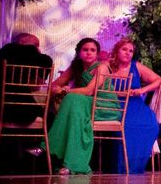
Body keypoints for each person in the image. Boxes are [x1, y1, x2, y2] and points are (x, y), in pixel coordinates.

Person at [45, 38, 122, 174]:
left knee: (72, 99)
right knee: (74, 108)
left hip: (104, 106)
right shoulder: (75, 67)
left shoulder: (102, 67)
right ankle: (68, 165)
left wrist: (63, 90)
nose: (89, 53)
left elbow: (89, 91)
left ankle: (47, 147)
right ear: (78, 52)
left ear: (97, 53)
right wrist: (54, 89)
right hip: (83, 104)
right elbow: (55, 85)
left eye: (93, 50)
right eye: (85, 50)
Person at [106, 38, 161, 174]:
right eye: (124, 49)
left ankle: (136, 166)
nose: (128, 53)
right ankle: (122, 166)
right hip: (115, 105)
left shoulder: (136, 66)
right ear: (116, 51)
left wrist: (141, 91)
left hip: (136, 105)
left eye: (131, 51)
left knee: (151, 125)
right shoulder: (107, 66)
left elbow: (159, 80)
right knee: (126, 126)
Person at [0, 32, 53, 125]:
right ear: (22, 42)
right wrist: (41, 77)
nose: (38, 48)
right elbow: (47, 60)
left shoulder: (3, 52)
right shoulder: (30, 52)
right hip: (19, 108)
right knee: (51, 116)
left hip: (2, 105)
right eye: (36, 45)